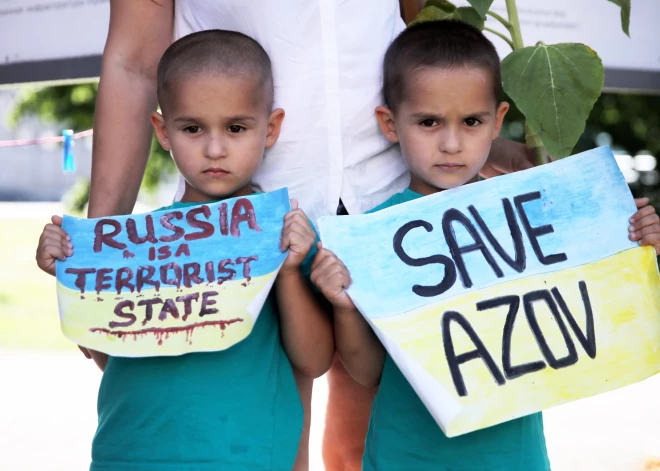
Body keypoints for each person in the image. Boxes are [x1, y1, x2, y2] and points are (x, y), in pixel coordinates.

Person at [87, 2, 543, 468]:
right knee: (270, 436)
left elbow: (424, 22)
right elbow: (134, 61)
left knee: (373, 437)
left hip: (389, 186)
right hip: (254, 203)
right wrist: (94, 251)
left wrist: (475, 138)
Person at [310, 20, 660, 471]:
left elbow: (599, 310)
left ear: (497, 122)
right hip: (404, 458)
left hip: (515, 458)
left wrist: (637, 244)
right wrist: (342, 305)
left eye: (471, 121)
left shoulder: (534, 215)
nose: (451, 143)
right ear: (390, 123)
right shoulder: (373, 234)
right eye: (429, 122)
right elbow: (366, 372)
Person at [36, 30, 334, 471]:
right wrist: (72, 277)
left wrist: (289, 273)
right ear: (162, 130)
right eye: (193, 128)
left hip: (247, 458)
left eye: (236, 128)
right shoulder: (132, 247)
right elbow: (107, 356)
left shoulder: (286, 236)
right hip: (130, 453)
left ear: (270, 129)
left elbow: (313, 362)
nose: (215, 149)